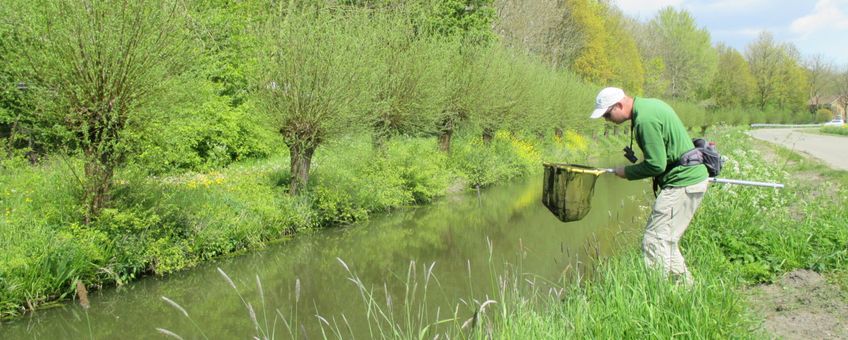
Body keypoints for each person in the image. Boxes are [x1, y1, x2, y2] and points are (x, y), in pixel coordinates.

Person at [589, 87, 709, 285]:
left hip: (682, 183)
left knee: (654, 240)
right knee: (666, 241)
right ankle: (687, 291)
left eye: (608, 114)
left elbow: (656, 165)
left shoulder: (645, 120)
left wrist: (626, 172)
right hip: (689, 180)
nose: (607, 120)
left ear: (619, 105)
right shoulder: (649, 106)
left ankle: (657, 294)